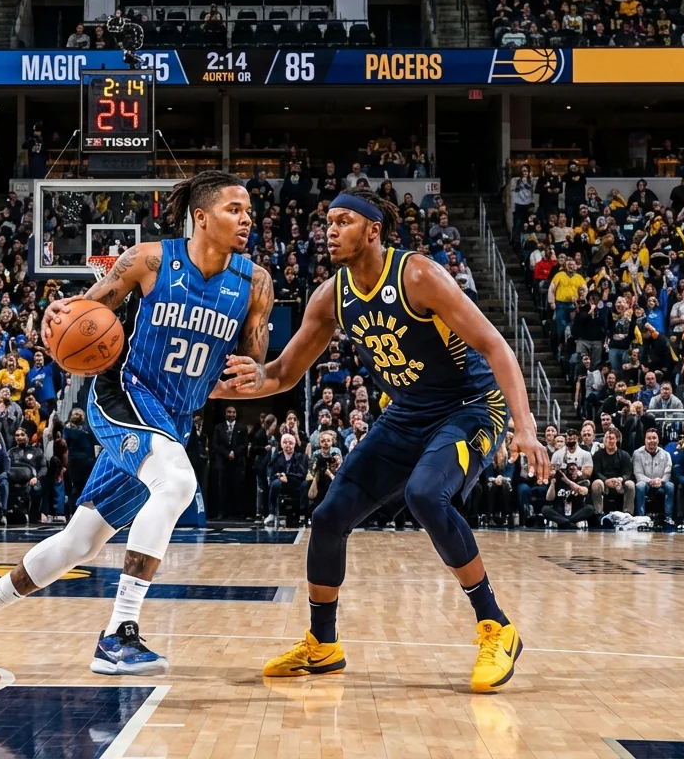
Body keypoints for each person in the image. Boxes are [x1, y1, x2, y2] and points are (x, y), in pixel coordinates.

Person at [0, 170, 274, 679]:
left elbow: (247, 371)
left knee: (80, 542)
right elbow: (80, 316)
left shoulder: (254, 283)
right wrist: (53, 317)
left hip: (174, 419)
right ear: (201, 217)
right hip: (124, 394)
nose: (246, 218)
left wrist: (256, 374)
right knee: (178, 482)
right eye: (234, 209)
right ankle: (119, 634)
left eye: (249, 210)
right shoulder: (150, 260)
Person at [215, 187, 549, 692]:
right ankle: (323, 644)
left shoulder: (418, 275)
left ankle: (496, 627)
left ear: (373, 230)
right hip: (407, 414)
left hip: (471, 407)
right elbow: (283, 372)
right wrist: (244, 381)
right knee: (329, 516)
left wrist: (525, 426)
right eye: (327, 221)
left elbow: (494, 344)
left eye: (344, 221)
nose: (329, 230)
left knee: (424, 495)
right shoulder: (330, 296)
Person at [265, 432, 308, 526]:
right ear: (281, 444)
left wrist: (287, 476)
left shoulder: (301, 457)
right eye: (285, 442)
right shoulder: (276, 457)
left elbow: (302, 474)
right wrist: (279, 476)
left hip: (296, 484)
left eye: (290, 443)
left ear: (294, 444)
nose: (287, 445)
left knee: (305, 484)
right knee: (275, 483)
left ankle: (303, 514)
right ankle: (272, 513)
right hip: (282, 484)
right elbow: (271, 473)